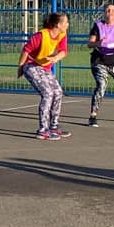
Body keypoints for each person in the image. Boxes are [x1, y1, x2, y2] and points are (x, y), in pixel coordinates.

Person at [17, 12, 71, 140]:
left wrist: (56, 57)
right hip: (31, 66)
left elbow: (63, 51)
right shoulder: (41, 35)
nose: (67, 25)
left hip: (44, 68)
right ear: (58, 24)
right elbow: (26, 51)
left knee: (58, 92)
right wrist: (20, 68)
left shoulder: (62, 35)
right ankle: (42, 130)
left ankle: (54, 126)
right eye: (66, 22)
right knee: (47, 93)